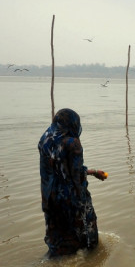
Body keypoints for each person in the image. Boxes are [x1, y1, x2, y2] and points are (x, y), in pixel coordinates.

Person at [38, 108, 107, 257]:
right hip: (69, 199)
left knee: (59, 241)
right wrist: (82, 202)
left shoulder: (45, 139)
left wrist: (93, 172)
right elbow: (75, 176)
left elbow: (58, 171)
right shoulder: (72, 143)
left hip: (51, 198)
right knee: (88, 239)